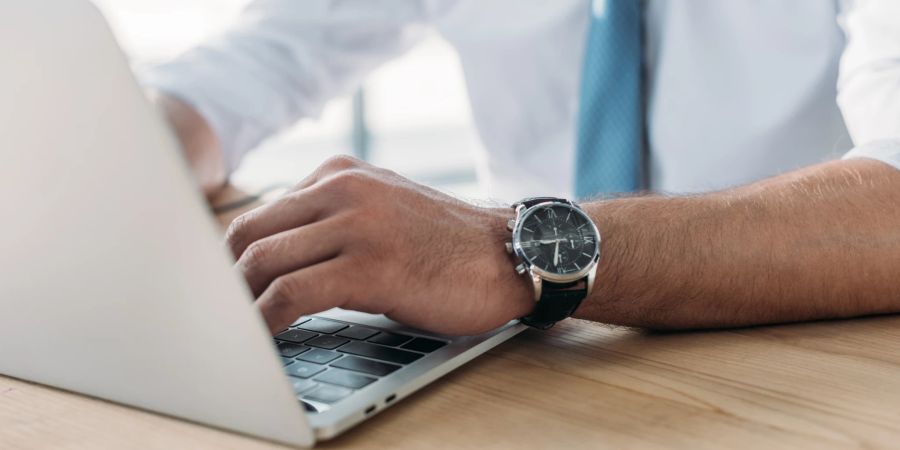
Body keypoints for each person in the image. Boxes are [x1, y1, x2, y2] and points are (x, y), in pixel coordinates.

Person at [142, 0, 900, 335]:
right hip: (531, 358)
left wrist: (503, 252)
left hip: (779, 364)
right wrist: (120, 152)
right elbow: (241, 73)